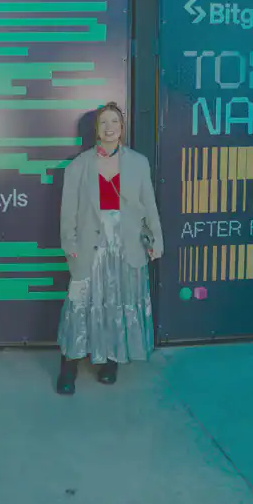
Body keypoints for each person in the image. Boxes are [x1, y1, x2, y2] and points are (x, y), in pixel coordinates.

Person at [56, 102, 163, 394]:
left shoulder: (138, 163)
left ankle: (110, 362)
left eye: (114, 121)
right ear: (96, 129)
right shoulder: (79, 165)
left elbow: (149, 205)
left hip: (126, 245)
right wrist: (70, 243)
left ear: (122, 127)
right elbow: (68, 212)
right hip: (90, 245)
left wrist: (155, 240)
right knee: (79, 305)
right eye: (103, 122)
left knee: (117, 302)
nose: (109, 127)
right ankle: (68, 367)